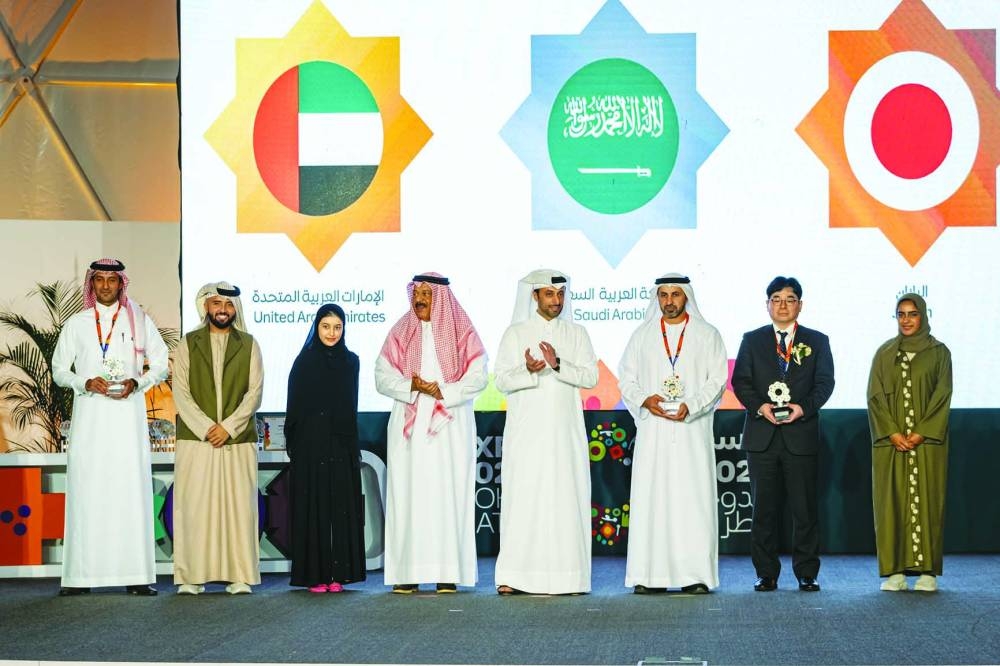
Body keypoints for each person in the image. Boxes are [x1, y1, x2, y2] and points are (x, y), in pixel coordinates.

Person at [51, 258, 169, 596]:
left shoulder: (138, 319)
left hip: (127, 420)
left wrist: (138, 381)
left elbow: (160, 363)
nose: (105, 286)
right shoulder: (78, 323)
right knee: (87, 493)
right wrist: (85, 381)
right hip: (90, 420)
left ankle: (135, 575)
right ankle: (80, 578)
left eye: (111, 280)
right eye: (99, 279)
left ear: (121, 284)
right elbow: (59, 369)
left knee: (130, 493)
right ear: (92, 284)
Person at [375, 273, 487, 594]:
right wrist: (410, 385)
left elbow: (479, 375)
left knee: (447, 493)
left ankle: (446, 572)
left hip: (449, 423)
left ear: (440, 297)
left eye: (427, 292)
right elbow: (381, 376)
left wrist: (445, 391)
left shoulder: (460, 331)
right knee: (407, 494)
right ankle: (407, 572)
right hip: (409, 424)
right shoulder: (400, 331)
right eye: (417, 292)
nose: (421, 298)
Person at [618, 274, 728, 594]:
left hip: (691, 430)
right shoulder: (642, 335)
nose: (669, 301)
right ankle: (651, 577)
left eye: (675, 294)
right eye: (663, 295)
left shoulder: (707, 335)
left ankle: (694, 576)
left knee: (691, 500)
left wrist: (690, 405)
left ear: (686, 297)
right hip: (654, 432)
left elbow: (717, 380)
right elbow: (627, 380)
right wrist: (644, 400)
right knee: (653, 500)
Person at [494, 269, 598, 595]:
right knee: (524, 499)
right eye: (549, 294)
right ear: (535, 296)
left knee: (565, 499)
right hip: (526, 435)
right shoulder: (515, 333)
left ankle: (570, 577)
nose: (556, 300)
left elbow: (591, 378)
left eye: (560, 294)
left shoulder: (577, 333)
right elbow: (500, 380)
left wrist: (557, 365)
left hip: (565, 436)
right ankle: (515, 576)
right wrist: (527, 370)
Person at [732, 276, 834, 592]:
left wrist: (802, 408)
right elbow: (740, 382)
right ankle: (766, 573)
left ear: (799, 305)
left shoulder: (817, 341)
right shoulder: (752, 340)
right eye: (776, 299)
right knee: (764, 509)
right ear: (767, 305)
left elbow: (824, 384)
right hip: (762, 436)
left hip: (800, 435)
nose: (782, 305)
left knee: (804, 509)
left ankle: (806, 572)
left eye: (789, 299)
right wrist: (760, 406)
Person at [172, 282, 263, 595]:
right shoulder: (188, 343)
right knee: (194, 507)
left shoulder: (250, 344)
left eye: (228, 305)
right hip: (196, 440)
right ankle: (191, 577)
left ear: (235, 309)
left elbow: (255, 393)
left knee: (238, 508)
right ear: (206, 307)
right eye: (216, 304)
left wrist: (228, 427)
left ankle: (240, 575)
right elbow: (180, 392)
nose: (222, 310)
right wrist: (206, 427)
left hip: (237, 440)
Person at [867, 294, 951, 593]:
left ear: (923, 316)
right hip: (891, 445)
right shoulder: (884, 353)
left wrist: (920, 433)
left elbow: (942, 396)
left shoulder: (939, 353)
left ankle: (927, 572)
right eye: (900, 314)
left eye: (912, 314)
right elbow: (875, 397)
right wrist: (891, 433)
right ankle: (895, 572)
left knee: (928, 501)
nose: (906, 320)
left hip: (927, 444)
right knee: (891, 504)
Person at [286, 304, 366, 593]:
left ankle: (339, 575)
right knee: (314, 508)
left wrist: (351, 444)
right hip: (310, 444)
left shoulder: (351, 362)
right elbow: (293, 405)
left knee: (340, 509)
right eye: (326, 326)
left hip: (341, 443)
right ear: (316, 327)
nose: (332, 333)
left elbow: (352, 405)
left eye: (337, 327)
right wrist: (295, 443)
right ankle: (315, 575)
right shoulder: (304, 361)